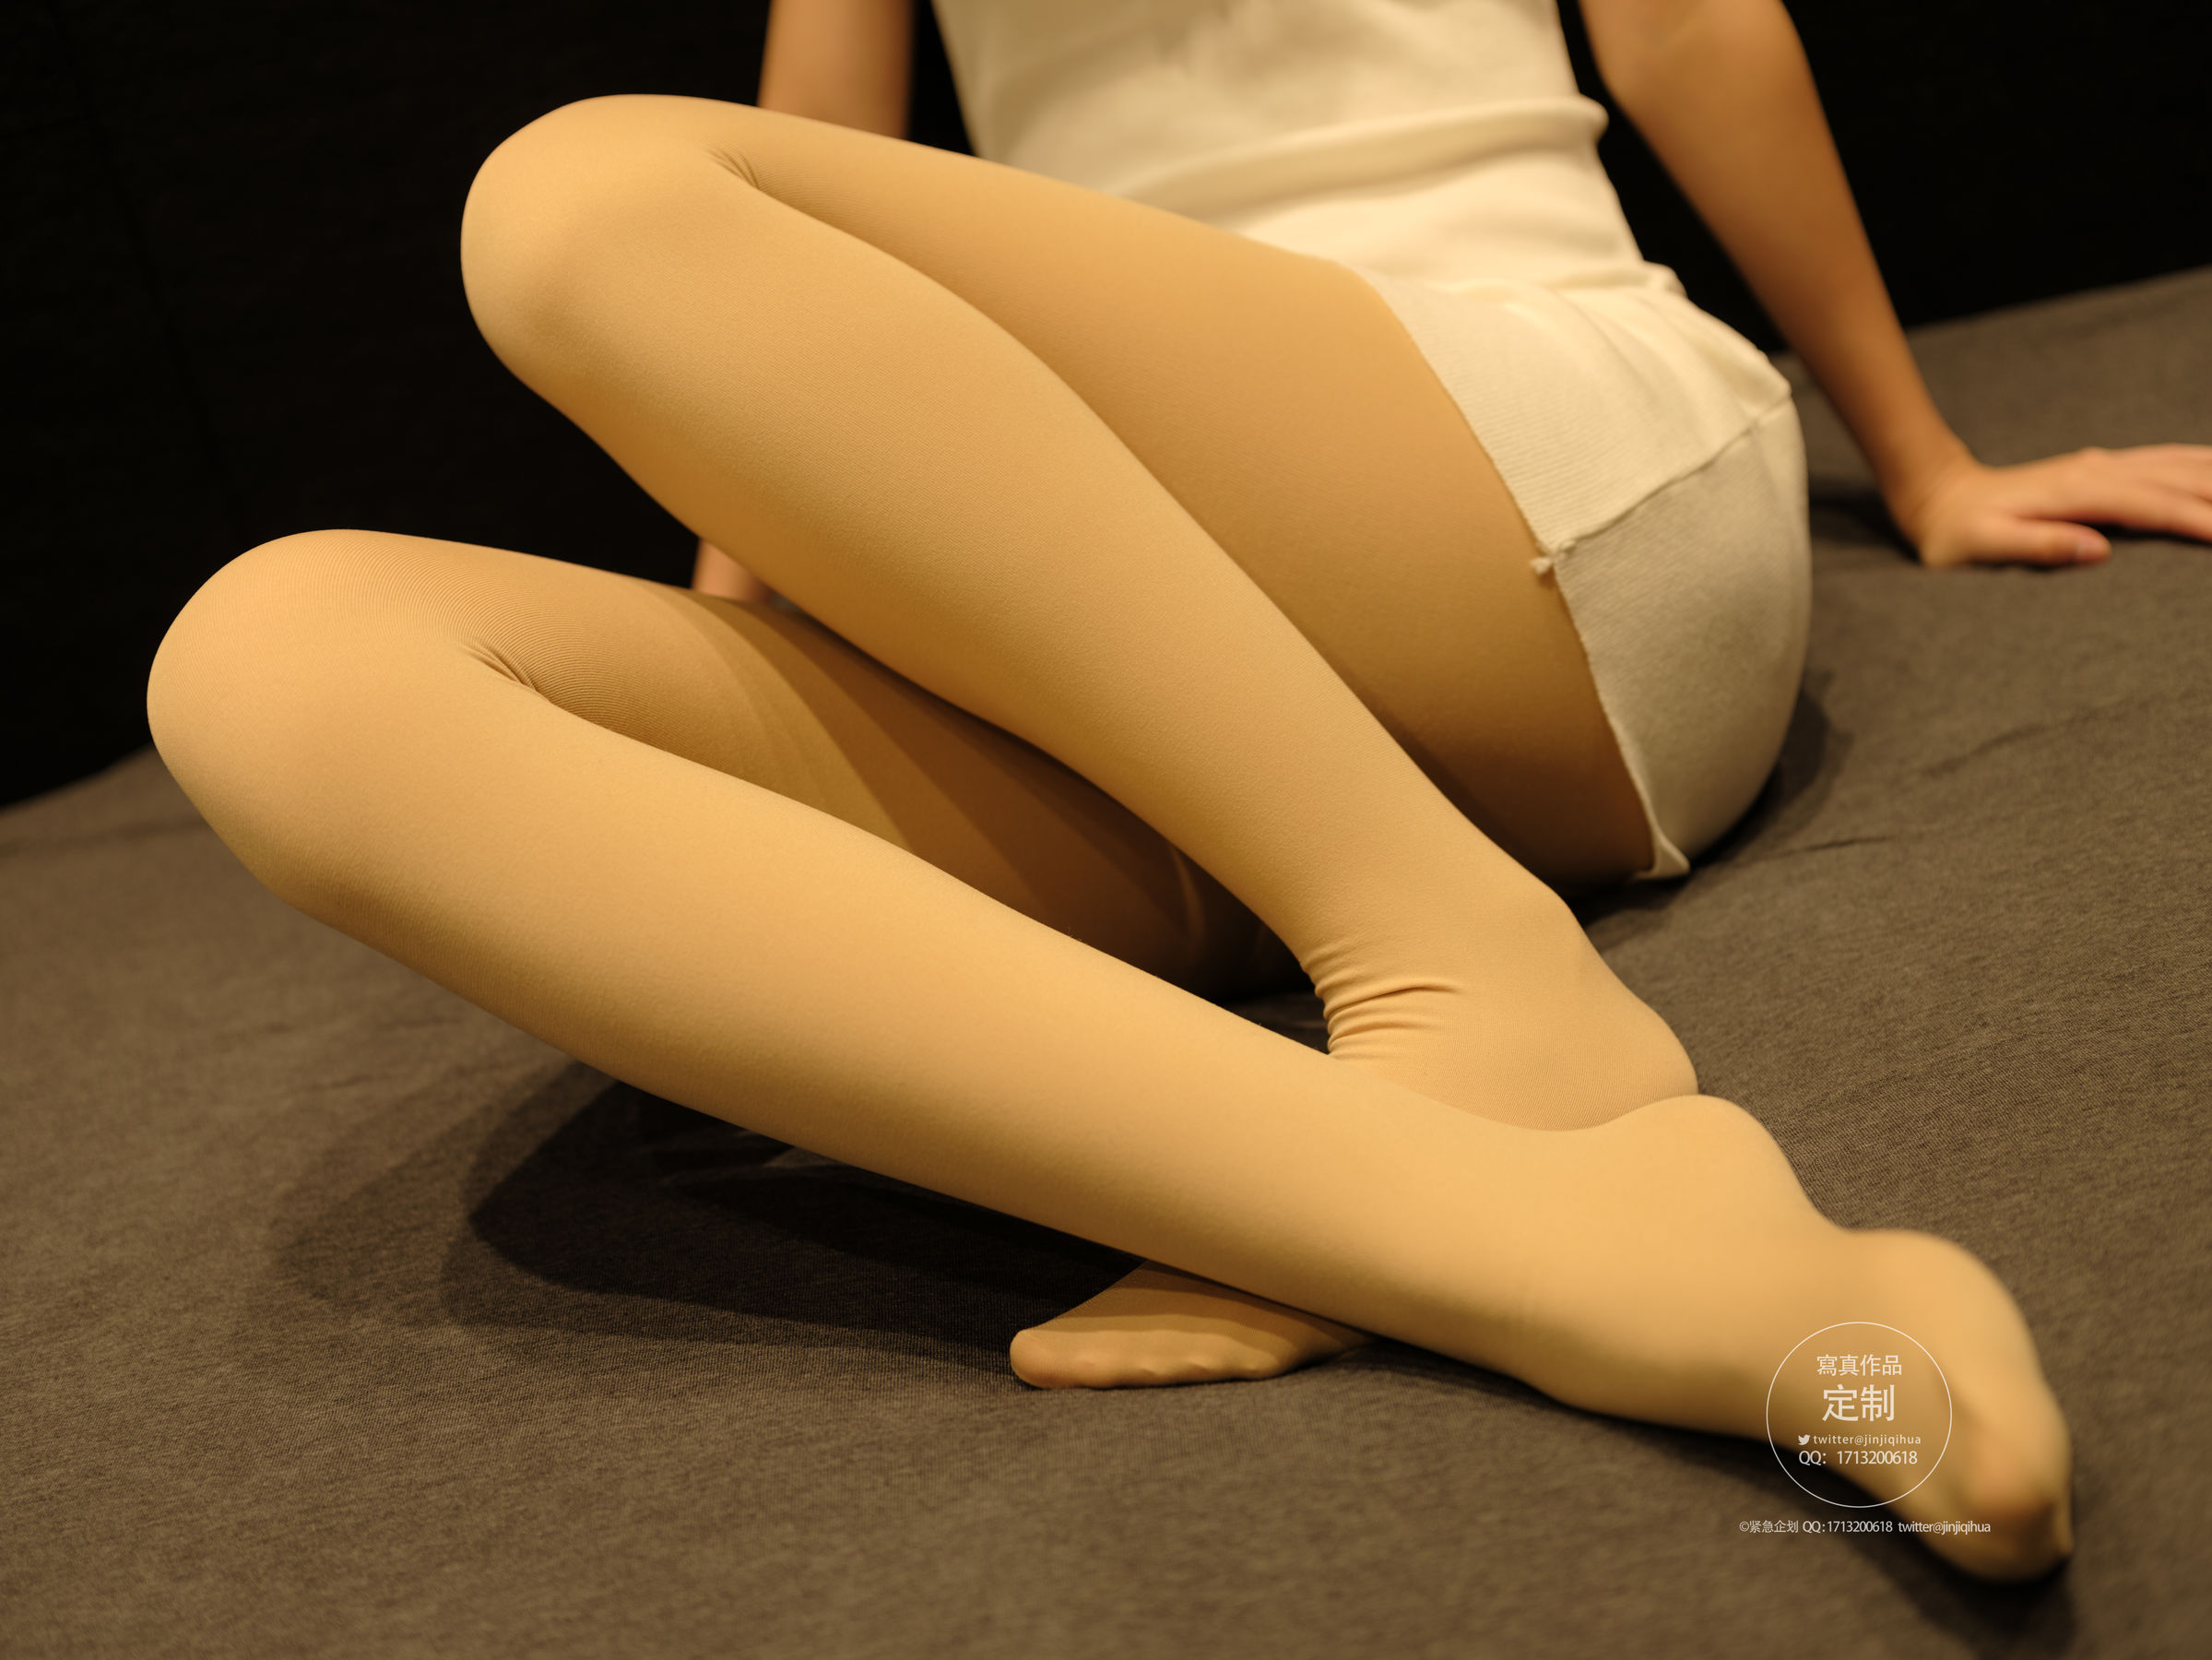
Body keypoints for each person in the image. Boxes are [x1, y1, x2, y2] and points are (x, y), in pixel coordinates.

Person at [142, 0, 2210, 1582]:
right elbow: (793, 221)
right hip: (1151, 648)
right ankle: (1582, 1254)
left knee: (584, 204)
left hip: (1538, 485)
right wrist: (712, 729)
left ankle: (1460, 959)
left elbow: (1686, 22)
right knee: (277, 667)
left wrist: (1921, 459)